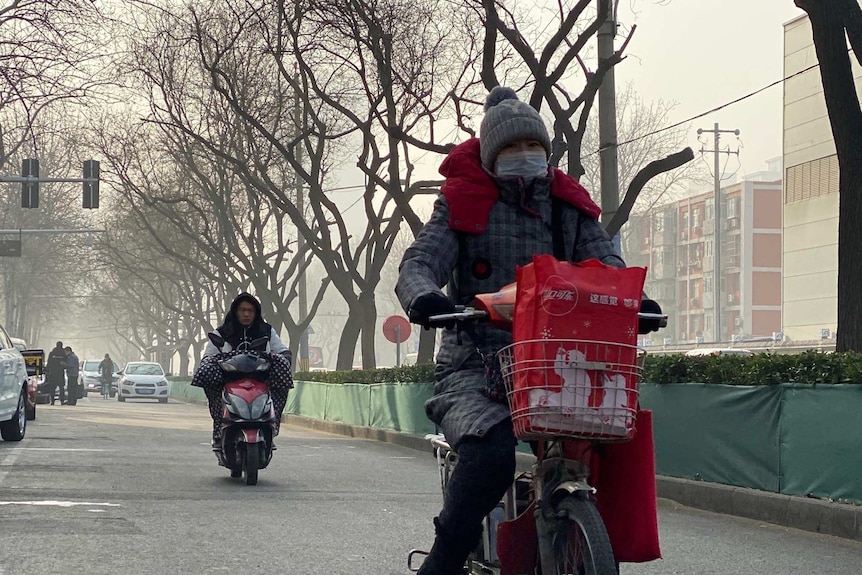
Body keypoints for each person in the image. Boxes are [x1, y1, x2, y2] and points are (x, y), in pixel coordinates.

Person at [395, 86, 663, 575]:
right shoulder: (461, 203)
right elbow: (420, 260)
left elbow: (605, 262)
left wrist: (634, 301)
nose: (525, 155)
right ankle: (444, 560)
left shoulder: (567, 207)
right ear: (491, 155)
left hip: (556, 361)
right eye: (512, 148)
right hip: (475, 362)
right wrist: (424, 296)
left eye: (533, 146)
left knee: (597, 445)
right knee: (490, 454)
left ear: (546, 151)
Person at [192, 292, 293, 449]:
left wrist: (284, 357)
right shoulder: (223, 332)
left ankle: (271, 426)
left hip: (260, 378)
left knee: (283, 371)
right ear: (235, 311)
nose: (246, 314)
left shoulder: (266, 331)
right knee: (206, 371)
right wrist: (210, 362)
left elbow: (280, 349)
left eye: (250, 310)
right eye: (242, 310)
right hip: (229, 379)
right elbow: (210, 354)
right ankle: (220, 427)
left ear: (256, 312)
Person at [44, 341, 68, 405]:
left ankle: (52, 401)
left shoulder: (52, 353)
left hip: (53, 373)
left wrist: (47, 371)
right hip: (60, 373)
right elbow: (66, 363)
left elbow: (49, 363)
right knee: (61, 388)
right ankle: (62, 400)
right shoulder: (63, 354)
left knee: (53, 388)